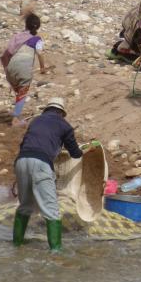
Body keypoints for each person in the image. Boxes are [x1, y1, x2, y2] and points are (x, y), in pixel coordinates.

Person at [13, 97, 93, 251]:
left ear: (46, 110)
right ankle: (56, 252)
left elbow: (25, 144)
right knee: (51, 210)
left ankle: (17, 245)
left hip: (21, 161)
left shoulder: (36, 121)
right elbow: (75, 153)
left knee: (25, 206)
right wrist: (86, 150)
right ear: (62, 113)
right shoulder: (65, 126)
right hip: (41, 164)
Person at [0, 12, 45, 127]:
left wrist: (7, 69)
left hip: (11, 68)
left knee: (18, 91)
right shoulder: (37, 39)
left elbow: (7, 53)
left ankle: (17, 114)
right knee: (22, 92)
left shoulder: (18, 36)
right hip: (23, 69)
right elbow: (40, 54)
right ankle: (15, 119)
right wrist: (42, 68)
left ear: (26, 25)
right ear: (38, 26)